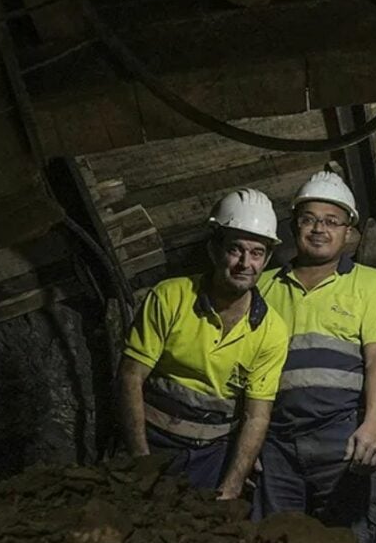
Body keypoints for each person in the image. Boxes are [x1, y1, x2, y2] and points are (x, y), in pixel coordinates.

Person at [254, 171, 376, 543]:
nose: (319, 229)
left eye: (331, 221)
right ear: (294, 225)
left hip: (341, 437)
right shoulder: (263, 286)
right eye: (309, 219)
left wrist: (373, 425)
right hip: (277, 441)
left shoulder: (369, 284)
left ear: (348, 232)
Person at [118, 188, 288, 498]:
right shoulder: (171, 297)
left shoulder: (271, 330)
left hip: (211, 456)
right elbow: (131, 376)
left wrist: (232, 486)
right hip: (154, 441)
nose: (245, 263)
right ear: (214, 249)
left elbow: (256, 415)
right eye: (236, 249)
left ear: (267, 259)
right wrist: (140, 460)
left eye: (257, 252)